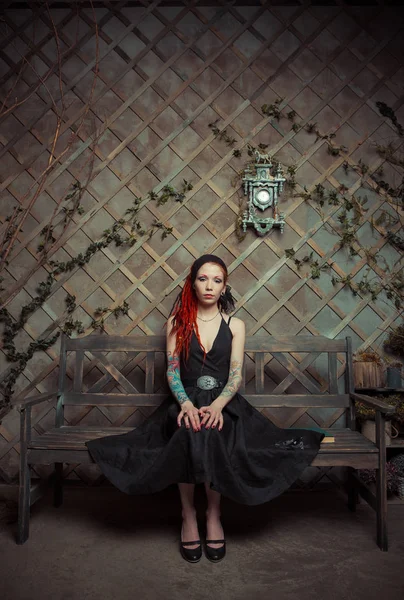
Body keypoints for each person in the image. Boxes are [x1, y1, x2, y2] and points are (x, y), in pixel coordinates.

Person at [86, 254, 324, 564]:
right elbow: (171, 371)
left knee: (214, 429)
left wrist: (218, 406)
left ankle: (214, 513)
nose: (209, 285)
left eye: (216, 280)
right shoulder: (176, 323)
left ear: (225, 287)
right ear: (193, 284)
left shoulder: (236, 324)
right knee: (189, 430)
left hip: (224, 402)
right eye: (202, 279)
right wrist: (185, 404)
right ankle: (188, 514)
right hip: (183, 401)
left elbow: (236, 374)